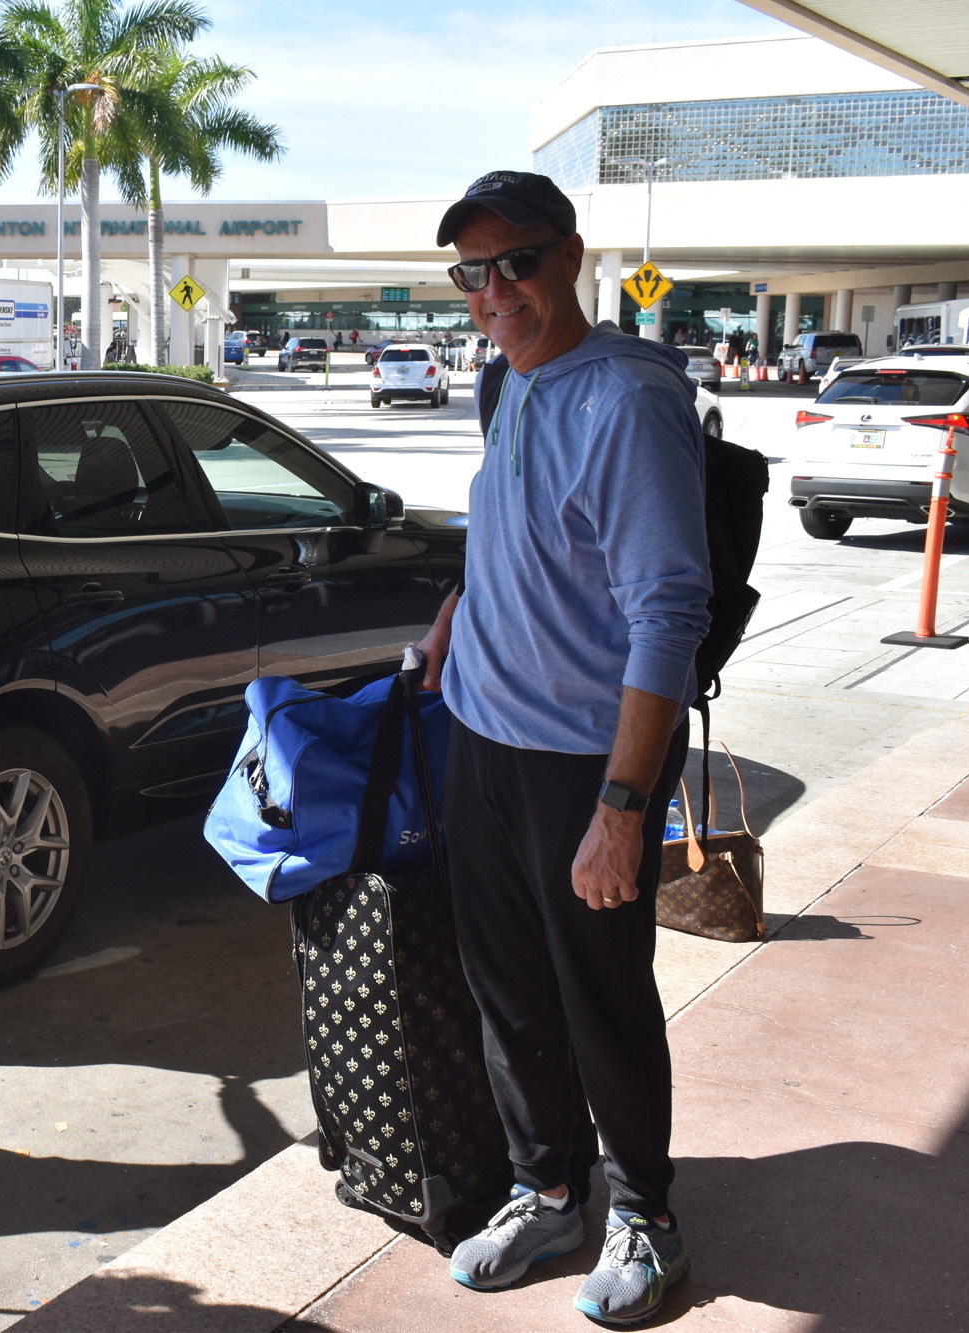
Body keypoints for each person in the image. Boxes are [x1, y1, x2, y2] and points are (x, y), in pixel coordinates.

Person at [419, 170, 708, 1326]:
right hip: (479, 739)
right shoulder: (505, 383)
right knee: (506, 992)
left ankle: (645, 1213)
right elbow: (514, 527)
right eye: (471, 273)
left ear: (570, 257)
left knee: (600, 997)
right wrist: (454, 610)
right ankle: (548, 1189)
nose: (494, 292)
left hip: (578, 765)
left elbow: (665, 614)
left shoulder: (627, 403)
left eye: (516, 263)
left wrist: (623, 806)